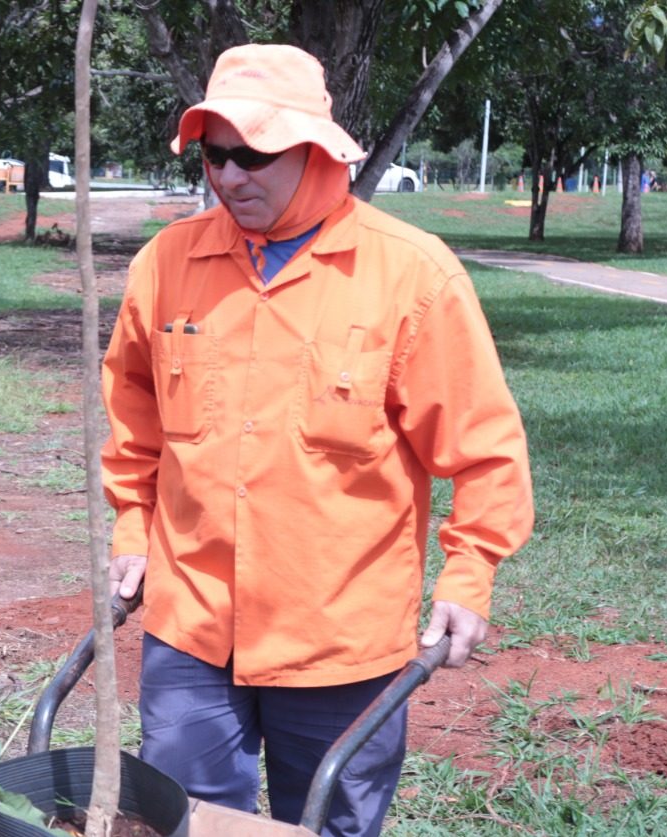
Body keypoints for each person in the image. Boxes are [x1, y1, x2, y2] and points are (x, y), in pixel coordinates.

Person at [102, 44, 534, 836]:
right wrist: (133, 525)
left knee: (333, 826)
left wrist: (470, 574)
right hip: (192, 628)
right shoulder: (166, 265)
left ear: (316, 148)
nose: (231, 176)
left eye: (255, 154)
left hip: (340, 642)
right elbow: (134, 416)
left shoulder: (411, 277)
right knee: (182, 823)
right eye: (214, 154)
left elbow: (484, 447)